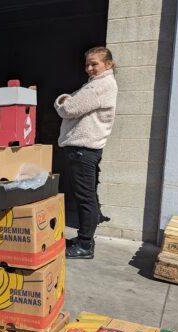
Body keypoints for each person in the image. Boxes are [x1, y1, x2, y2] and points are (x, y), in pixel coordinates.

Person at [55, 46, 118, 259]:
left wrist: (63, 101)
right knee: (86, 196)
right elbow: (70, 103)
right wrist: (67, 100)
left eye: (95, 64)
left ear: (108, 64)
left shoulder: (100, 86)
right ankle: (84, 240)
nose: (90, 68)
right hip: (84, 149)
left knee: (85, 198)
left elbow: (69, 109)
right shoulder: (94, 85)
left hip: (83, 149)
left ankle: (84, 245)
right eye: (87, 64)